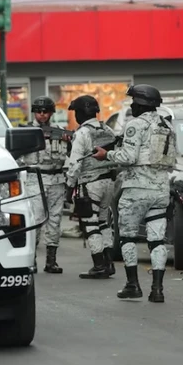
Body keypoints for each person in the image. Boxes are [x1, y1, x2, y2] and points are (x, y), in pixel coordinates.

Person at [94, 84, 176, 302]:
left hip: (136, 189)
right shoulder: (167, 125)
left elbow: (129, 157)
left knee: (128, 237)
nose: (132, 105)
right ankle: (157, 290)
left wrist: (107, 155)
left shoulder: (135, 125)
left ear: (141, 103)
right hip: (161, 188)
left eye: (133, 102)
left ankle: (133, 284)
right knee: (157, 241)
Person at [66, 95, 118, 279]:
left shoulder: (82, 133)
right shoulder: (108, 130)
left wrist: (68, 187)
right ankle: (108, 263)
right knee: (104, 222)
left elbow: (74, 165)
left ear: (80, 113)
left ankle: (98, 265)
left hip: (90, 183)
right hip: (109, 182)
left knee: (90, 223)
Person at [19, 96, 69, 274]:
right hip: (36, 178)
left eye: (45, 111)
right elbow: (16, 157)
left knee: (55, 221)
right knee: (36, 220)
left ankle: (51, 261)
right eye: (39, 111)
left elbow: (72, 154)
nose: (42, 114)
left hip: (56, 179)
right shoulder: (26, 132)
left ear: (51, 113)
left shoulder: (60, 132)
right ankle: (30, 259)